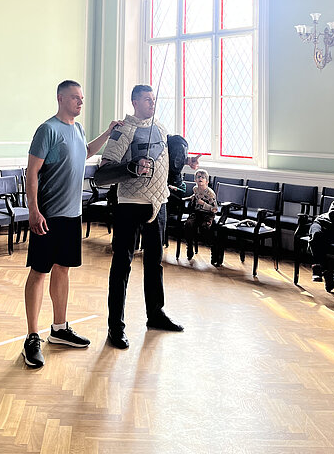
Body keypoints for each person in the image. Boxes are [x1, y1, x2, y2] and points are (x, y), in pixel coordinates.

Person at [22, 80, 121, 369]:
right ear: (61, 98)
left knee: (63, 270)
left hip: (72, 215)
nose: (80, 102)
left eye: (82, 98)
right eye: (75, 97)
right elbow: (32, 172)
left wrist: (108, 133)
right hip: (48, 215)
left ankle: (59, 328)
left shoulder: (77, 129)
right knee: (39, 272)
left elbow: (85, 152)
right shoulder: (48, 130)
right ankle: (31, 337)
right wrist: (34, 210)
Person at [97, 84, 199, 349]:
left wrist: (186, 162)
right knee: (122, 265)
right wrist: (132, 167)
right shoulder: (123, 130)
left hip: (159, 203)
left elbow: (165, 161)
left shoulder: (161, 128)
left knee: (154, 263)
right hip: (130, 204)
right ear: (134, 102)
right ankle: (115, 327)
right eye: (146, 99)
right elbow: (104, 173)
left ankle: (155, 314)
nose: (152, 103)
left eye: (153, 99)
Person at [183, 169, 218, 260]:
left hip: (208, 214)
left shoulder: (210, 193)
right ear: (195, 180)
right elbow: (196, 196)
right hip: (197, 213)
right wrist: (191, 197)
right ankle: (189, 246)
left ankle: (214, 250)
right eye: (198, 177)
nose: (200, 179)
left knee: (205, 228)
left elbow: (215, 209)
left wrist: (204, 204)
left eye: (203, 177)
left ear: (207, 181)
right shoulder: (195, 189)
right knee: (188, 224)